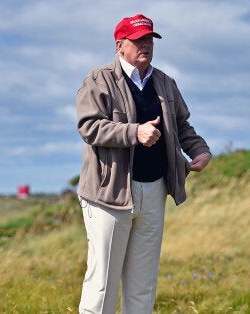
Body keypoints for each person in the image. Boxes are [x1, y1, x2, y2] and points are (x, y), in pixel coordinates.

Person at [75, 13, 212, 313]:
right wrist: (134, 132)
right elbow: (89, 127)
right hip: (108, 195)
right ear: (120, 45)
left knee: (143, 285)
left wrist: (198, 149)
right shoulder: (98, 80)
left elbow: (182, 126)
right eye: (138, 40)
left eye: (149, 39)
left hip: (153, 191)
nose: (145, 45)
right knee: (103, 285)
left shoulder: (164, 81)